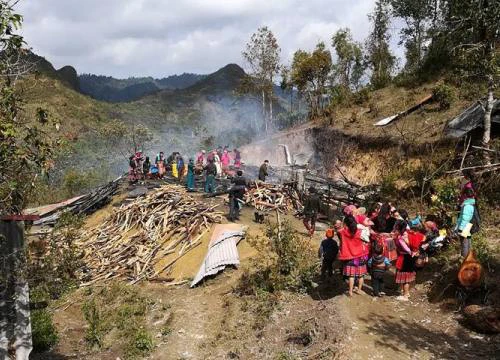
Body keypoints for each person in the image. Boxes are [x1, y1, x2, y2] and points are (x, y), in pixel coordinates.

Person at [338, 215, 368, 296]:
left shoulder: (342, 232)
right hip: (360, 255)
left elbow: (338, 230)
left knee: (351, 276)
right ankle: (359, 290)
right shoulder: (360, 231)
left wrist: (342, 225)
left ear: (346, 223)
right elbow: (366, 240)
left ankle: (350, 292)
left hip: (349, 257)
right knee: (361, 275)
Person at [393, 219, 420, 301]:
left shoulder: (403, 237)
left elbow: (406, 248)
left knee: (405, 279)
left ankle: (405, 295)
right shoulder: (407, 233)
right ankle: (406, 293)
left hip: (405, 258)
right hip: (408, 257)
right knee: (406, 278)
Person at [455, 188, 478, 257]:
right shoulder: (471, 203)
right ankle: (469, 259)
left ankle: (464, 260)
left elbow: (465, 218)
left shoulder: (467, 205)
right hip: (468, 226)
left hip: (465, 227)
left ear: (465, 195)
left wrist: (460, 229)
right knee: (468, 243)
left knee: (464, 244)